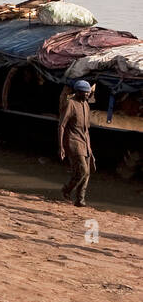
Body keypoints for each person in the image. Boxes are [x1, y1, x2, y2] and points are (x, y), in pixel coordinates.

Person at [60, 79, 95, 207]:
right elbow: (62, 125)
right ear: (78, 92)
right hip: (73, 141)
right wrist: (61, 147)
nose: (87, 95)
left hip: (85, 142)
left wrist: (89, 148)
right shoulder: (70, 104)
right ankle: (67, 189)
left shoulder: (86, 105)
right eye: (85, 93)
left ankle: (80, 199)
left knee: (87, 173)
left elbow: (86, 129)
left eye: (88, 93)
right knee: (83, 171)